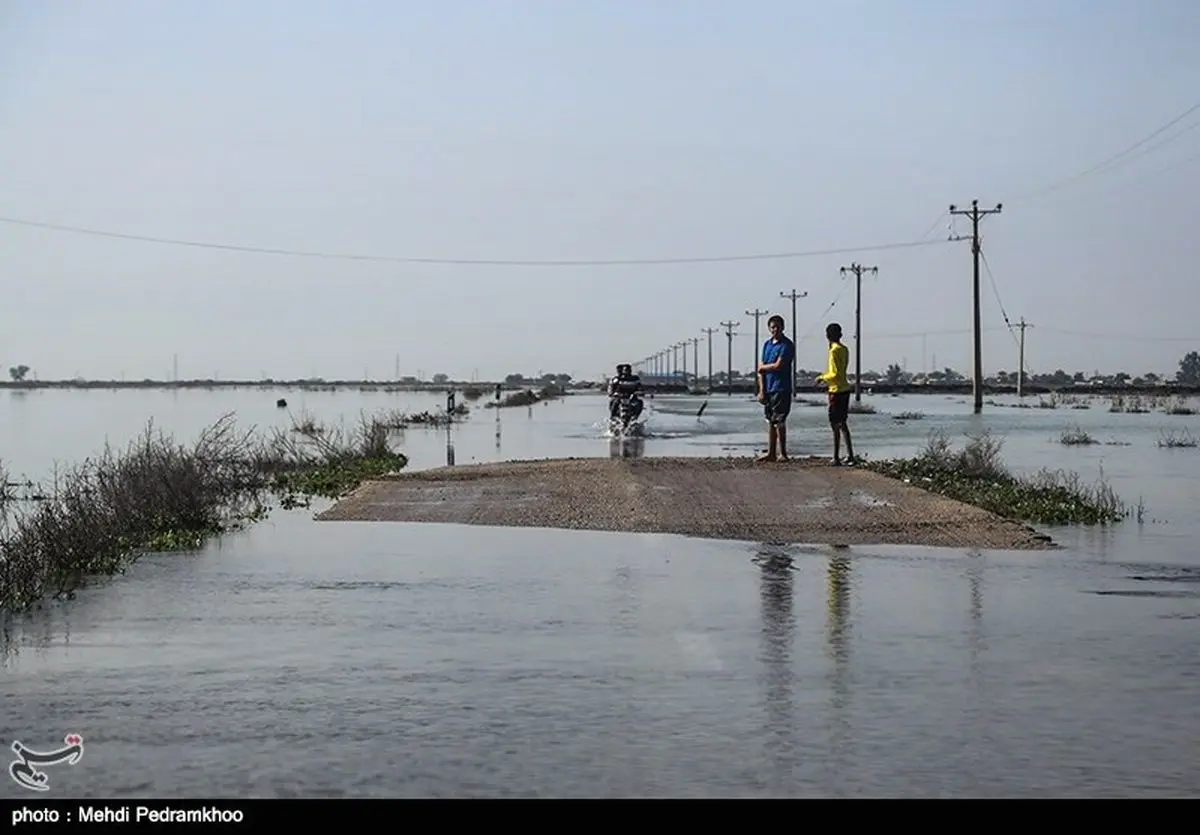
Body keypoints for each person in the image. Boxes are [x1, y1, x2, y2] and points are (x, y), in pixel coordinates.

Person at [755, 315, 795, 462]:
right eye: (773, 327)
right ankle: (771, 453)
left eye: (778, 327)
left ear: (783, 327)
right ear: (769, 328)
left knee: (780, 420)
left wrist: (763, 367)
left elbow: (779, 365)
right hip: (769, 387)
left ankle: (783, 453)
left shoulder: (787, 345)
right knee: (770, 420)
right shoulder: (767, 345)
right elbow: (760, 371)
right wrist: (761, 390)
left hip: (782, 387)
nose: (775, 330)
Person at [816, 323, 856, 465]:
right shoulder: (844, 349)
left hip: (836, 390)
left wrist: (822, 378)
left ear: (828, 336)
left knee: (835, 425)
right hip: (845, 389)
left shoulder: (834, 351)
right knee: (843, 423)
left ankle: (836, 457)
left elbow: (834, 373)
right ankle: (850, 455)